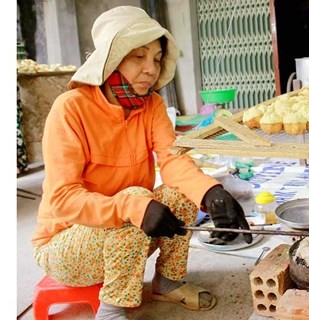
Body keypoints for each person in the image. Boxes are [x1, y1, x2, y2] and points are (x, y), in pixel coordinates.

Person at [31, 6, 251, 319]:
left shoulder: (152, 105)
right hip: (65, 245)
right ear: (110, 58)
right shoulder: (70, 109)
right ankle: (111, 309)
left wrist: (210, 192)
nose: (150, 69)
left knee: (178, 194)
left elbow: (172, 161)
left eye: (157, 59)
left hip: (127, 236)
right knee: (136, 199)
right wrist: (133, 208)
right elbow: (62, 198)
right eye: (138, 56)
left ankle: (168, 282)